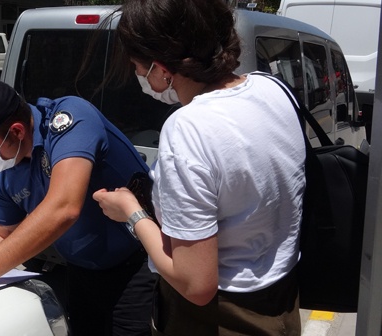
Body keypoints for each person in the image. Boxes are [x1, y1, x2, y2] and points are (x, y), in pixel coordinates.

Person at [91, 0, 306, 335]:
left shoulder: (188, 129)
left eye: (136, 66)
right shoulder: (271, 88)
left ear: (161, 69)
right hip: (281, 300)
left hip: (221, 317)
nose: (136, 75)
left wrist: (132, 213)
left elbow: (196, 284)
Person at [0, 80, 157, 336]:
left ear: (17, 132)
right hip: (81, 271)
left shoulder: (70, 120)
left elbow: (64, 207)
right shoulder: (4, 172)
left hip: (137, 265)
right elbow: (1, 235)